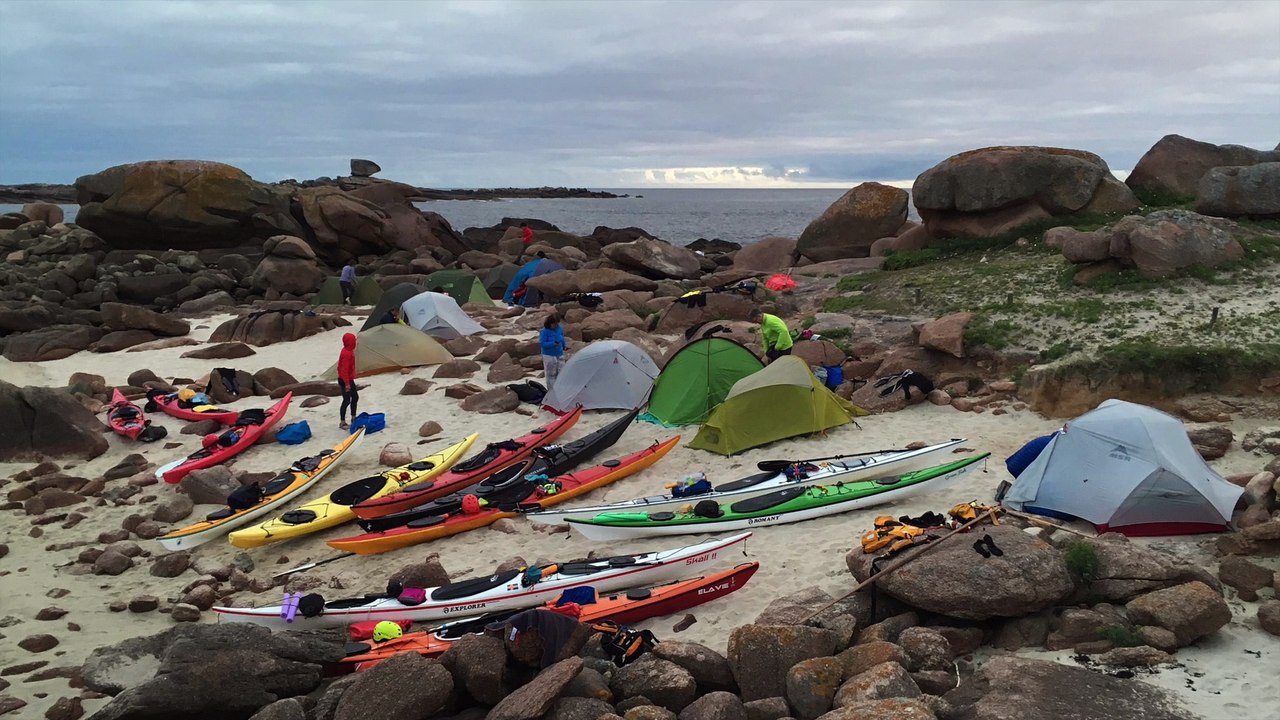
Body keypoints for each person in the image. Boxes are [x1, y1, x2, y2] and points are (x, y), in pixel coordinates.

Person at [337, 332, 359, 429]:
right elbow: (343, 370)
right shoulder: (346, 353)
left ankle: (353, 417)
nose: (355, 342)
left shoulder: (348, 350)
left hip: (348, 379)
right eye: (353, 340)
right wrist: (346, 384)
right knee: (346, 400)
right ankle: (342, 422)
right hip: (345, 380)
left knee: (355, 397)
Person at [540, 313, 566, 389]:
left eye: (557, 323)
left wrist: (564, 346)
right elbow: (543, 344)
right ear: (550, 323)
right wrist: (553, 343)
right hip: (549, 355)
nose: (556, 325)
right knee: (551, 374)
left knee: (562, 372)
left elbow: (562, 338)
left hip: (559, 353)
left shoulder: (559, 328)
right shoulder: (544, 331)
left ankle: (561, 389)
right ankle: (552, 392)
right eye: (554, 324)